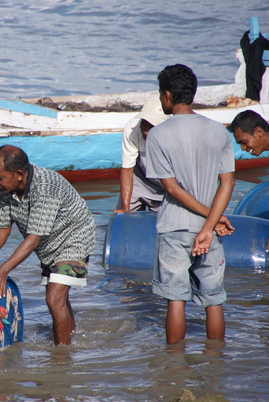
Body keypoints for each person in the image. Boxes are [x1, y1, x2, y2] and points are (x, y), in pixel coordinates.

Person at [0, 145, 95, 345]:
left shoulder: (45, 186)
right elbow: (1, 229)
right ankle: (69, 340)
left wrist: (3, 269)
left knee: (54, 298)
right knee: (58, 299)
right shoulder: (5, 188)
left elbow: (34, 237)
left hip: (74, 237)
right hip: (48, 244)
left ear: (19, 174)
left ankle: (61, 360)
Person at [146, 64, 236, 345]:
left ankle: (174, 367)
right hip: (210, 230)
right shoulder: (218, 132)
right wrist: (212, 223)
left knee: (175, 300)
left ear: (168, 95)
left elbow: (172, 188)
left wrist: (211, 219)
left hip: (175, 228)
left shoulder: (159, 135)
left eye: (161, 95)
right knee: (214, 300)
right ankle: (215, 366)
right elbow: (228, 183)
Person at [113, 97, 169, 213]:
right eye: (144, 124)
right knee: (123, 219)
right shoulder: (132, 128)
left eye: (151, 126)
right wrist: (125, 209)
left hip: (167, 186)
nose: (145, 131)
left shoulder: (174, 135)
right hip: (139, 181)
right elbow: (127, 170)